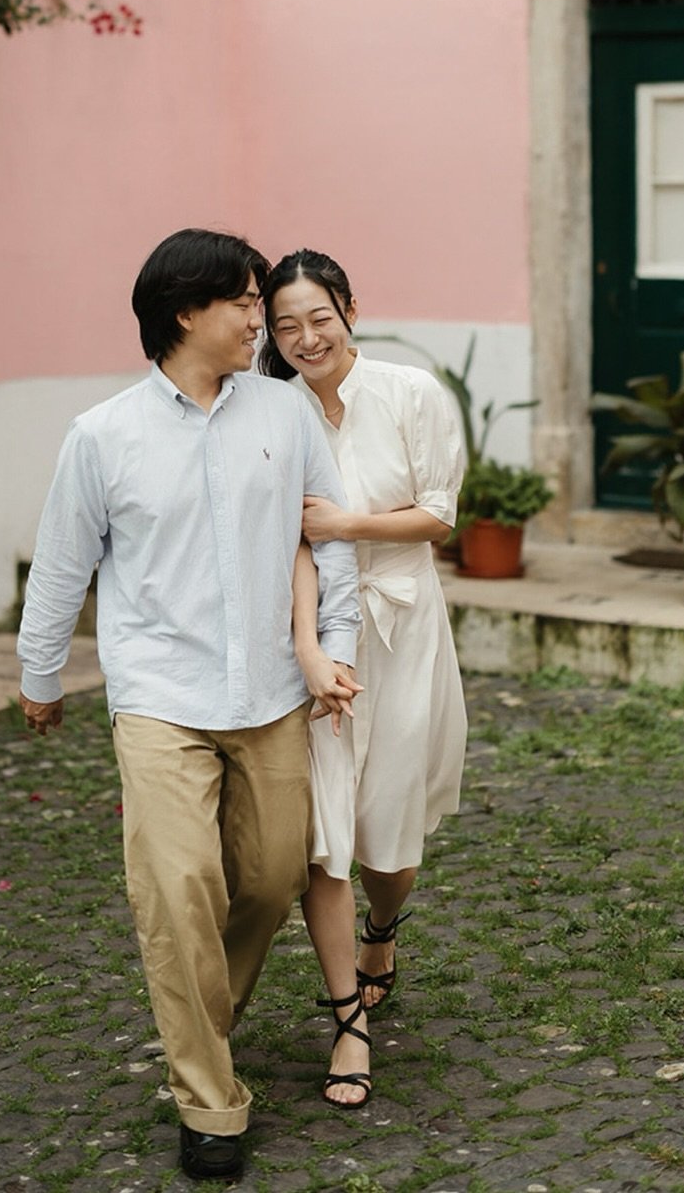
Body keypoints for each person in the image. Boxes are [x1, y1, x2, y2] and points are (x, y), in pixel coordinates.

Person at [16, 228, 361, 1183]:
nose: (264, 320)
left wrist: (337, 652)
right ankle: (211, 1103)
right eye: (246, 304)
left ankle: (202, 1020)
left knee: (268, 876)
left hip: (271, 696)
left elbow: (328, 541)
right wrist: (40, 678)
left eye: (262, 304)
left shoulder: (285, 417)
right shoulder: (104, 436)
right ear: (185, 314)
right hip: (161, 699)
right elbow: (61, 568)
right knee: (176, 892)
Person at [262, 248, 468, 1109]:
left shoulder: (412, 393)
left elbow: (441, 518)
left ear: (349, 307)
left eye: (319, 317)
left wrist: (345, 521)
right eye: (285, 326)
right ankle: (348, 1022)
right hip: (316, 642)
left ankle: (385, 929)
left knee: (392, 825)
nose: (306, 338)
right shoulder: (268, 411)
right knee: (329, 830)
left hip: (405, 625)